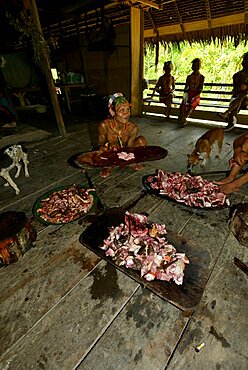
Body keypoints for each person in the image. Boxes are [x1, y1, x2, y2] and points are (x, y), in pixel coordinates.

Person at [97, 92, 147, 177]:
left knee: (142, 141)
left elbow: (130, 146)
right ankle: (109, 166)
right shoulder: (104, 126)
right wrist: (109, 145)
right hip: (110, 152)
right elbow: (100, 144)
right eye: (122, 110)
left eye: (128, 109)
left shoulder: (132, 128)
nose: (126, 113)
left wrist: (127, 155)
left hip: (125, 150)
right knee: (103, 149)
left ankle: (130, 162)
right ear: (112, 112)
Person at [218, 52, 248, 131]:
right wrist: (240, 88)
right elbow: (235, 89)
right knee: (238, 99)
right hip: (238, 98)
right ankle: (231, 121)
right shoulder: (237, 75)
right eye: (244, 61)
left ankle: (228, 113)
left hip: (246, 100)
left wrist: (246, 88)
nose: (245, 63)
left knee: (241, 97)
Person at [178, 58, 205, 126]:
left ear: (199, 67)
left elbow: (200, 90)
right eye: (194, 66)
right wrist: (185, 96)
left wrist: (194, 97)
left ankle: (183, 119)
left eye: (197, 66)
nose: (195, 67)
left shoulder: (201, 77)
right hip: (189, 94)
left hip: (196, 96)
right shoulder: (189, 77)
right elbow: (186, 88)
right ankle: (183, 119)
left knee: (192, 105)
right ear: (192, 67)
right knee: (183, 104)